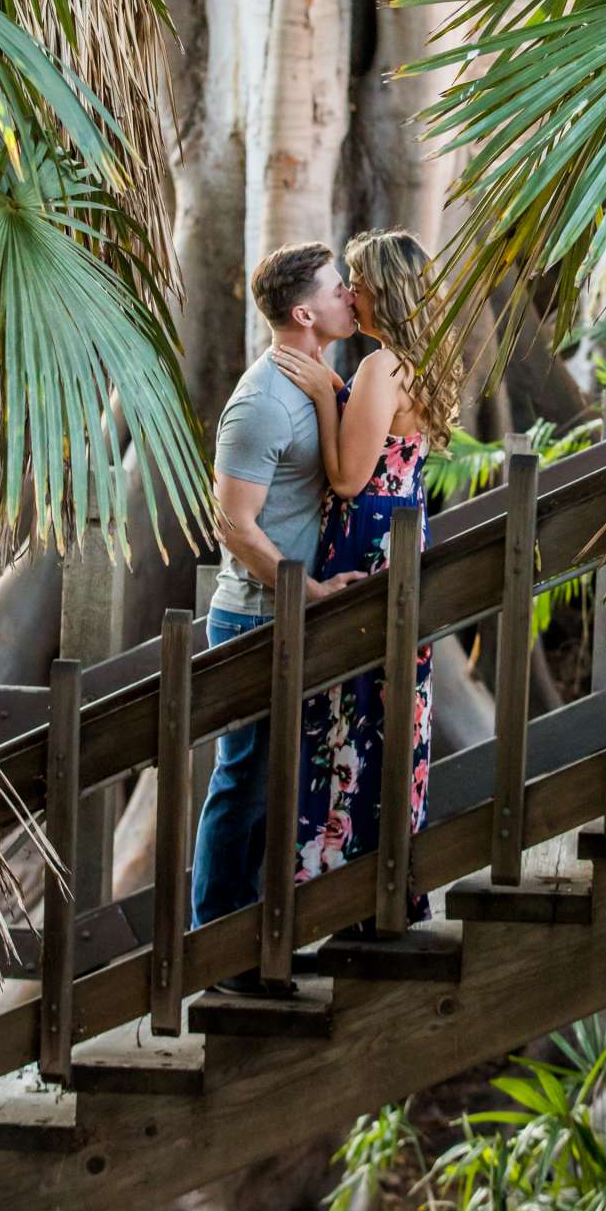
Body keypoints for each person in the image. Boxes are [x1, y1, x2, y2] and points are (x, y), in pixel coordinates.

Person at [274, 228, 461, 932]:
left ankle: (337, 889)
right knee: (387, 705)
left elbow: (351, 477)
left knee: (348, 708)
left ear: (383, 290)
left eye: (357, 280)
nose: (347, 293)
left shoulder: (383, 369)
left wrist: (326, 395)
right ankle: (381, 882)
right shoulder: (423, 359)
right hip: (405, 530)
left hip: (369, 536)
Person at [189, 241, 363, 947]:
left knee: (282, 785)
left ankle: (259, 936)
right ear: (303, 311)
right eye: (337, 287)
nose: (349, 294)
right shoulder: (261, 403)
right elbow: (232, 522)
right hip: (256, 618)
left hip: (296, 612)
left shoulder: (321, 376)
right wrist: (310, 592)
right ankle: (214, 946)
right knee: (245, 784)